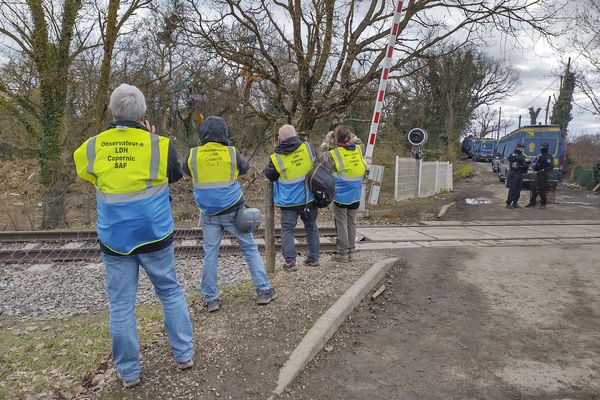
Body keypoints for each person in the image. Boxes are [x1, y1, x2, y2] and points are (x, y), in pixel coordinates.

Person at [73, 84, 194, 388]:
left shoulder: (91, 147)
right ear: (142, 114)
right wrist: (149, 136)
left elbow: (87, 174)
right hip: (155, 234)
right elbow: (175, 176)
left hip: (115, 239)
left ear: (111, 112)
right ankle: (184, 356)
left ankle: (129, 374)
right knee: (170, 292)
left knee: (121, 305)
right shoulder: (160, 145)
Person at [184, 116, 276, 312]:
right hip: (233, 211)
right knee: (250, 248)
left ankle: (211, 299)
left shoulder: (193, 155)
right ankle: (263, 290)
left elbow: (185, 171)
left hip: (208, 213)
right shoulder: (231, 153)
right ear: (224, 133)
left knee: (210, 254)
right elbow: (245, 168)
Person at [264, 124, 320, 271]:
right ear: (295, 135)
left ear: (280, 139)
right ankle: (314, 258)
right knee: (311, 227)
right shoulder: (307, 148)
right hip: (308, 199)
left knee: (287, 230)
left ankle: (290, 262)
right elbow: (317, 164)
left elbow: (270, 175)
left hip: (288, 202)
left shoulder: (276, 157)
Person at [319, 126, 366, 262]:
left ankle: (343, 253)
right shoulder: (359, 149)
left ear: (336, 139)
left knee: (341, 223)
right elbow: (359, 142)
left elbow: (320, 156)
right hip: (356, 193)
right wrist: (351, 135)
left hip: (341, 194)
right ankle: (351, 251)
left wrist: (326, 141)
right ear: (349, 137)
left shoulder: (335, 155)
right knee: (352, 222)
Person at [525, 142, 555, 209]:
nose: (542, 149)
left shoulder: (548, 156)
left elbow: (551, 166)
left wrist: (543, 170)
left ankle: (543, 204)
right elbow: (537, 165)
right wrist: (534, 167)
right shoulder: (539, 156)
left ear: (546, 149)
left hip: (544, 175)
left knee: (542, 190)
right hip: (538, 175)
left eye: (543, 148)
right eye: (541, 148)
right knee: (534, 189)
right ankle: (532, 202)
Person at [505, 142, 529, 209]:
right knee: (512, 189)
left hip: (520, 174)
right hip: (514, 174)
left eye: (522, 148)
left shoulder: (522, 156)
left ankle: (515, 203)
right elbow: (512, 158)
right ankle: (508, 203)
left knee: (518, 190)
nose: (521, 149)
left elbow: (525, 163)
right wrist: (524, 159)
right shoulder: (513, 154)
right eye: (521, 148)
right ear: (517, 147)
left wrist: (527, 162)